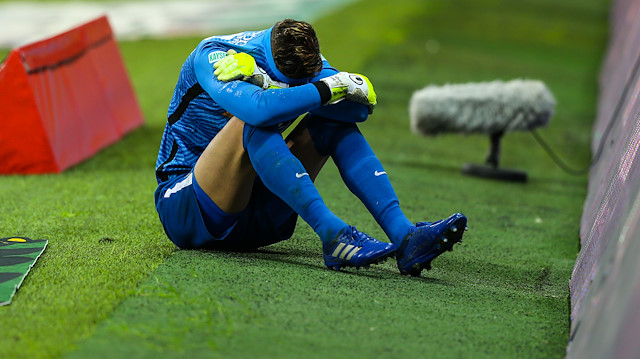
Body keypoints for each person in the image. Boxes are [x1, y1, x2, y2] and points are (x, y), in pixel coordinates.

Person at [154, 19, 467, 276]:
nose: (307, 82)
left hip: (257, 216)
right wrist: (325, 89)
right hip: (188, 208)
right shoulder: (215, 54)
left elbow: (356, 111)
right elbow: (259, 111)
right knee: (249, 122)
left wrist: (320, 88)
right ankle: (333, 234)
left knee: (330, 121)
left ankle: (405, 236)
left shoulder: (309, 65)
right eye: (288, 80)